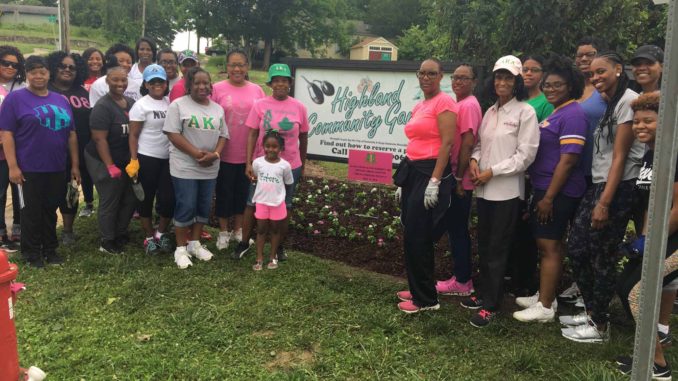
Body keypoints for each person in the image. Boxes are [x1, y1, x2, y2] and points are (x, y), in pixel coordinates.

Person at [560, 52, 644, 343]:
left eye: (601, 72)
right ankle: (593, 308)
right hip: (599, 183)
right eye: (592, 74)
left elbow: (620, 157)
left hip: (617, 187)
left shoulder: (628, 102)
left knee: (602, 255)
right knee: (578, 248)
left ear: (619, 70)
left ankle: (600, 324)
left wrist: (605, 203)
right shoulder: (611, 103)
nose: (595, 78)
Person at [462, 55, 539, 327]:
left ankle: (492, 305)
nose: (502, 82)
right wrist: (473, 161)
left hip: (505, 193)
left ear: (517, 82)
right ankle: (485, 294)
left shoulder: (525, 113)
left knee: (497, 249)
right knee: (484, 246)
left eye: (508, 77)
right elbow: (481, 145)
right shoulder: (490, 111)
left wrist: (491, 171)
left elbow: (525, 156)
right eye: (498, 77)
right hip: (484, 191)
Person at [512, 55, 588, 323]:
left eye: (558, 85)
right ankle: (545, 295)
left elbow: (568, 161)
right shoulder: (559, 111)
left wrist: (549, 198)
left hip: (558, 192)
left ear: (571, 86)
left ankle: (544, 307)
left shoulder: (574, 114)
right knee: (544, 245)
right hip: (543, 188)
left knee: (550, 246)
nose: (551, 89)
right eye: (548, 85)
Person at [615, 92, 675, 379]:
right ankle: (648, 349)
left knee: (638, 293)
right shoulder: (652, 153)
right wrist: (644, 236)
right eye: (637, 121)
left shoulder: (673, 152)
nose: (640, 126)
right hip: (659, 236)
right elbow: (653, 202)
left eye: (648, 121)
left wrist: (653, 239)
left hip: (674, 238)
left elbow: (677, 207)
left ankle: (658, 366)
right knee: (626, 285)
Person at [0, 55, 80, 267]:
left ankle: (50, 249)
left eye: (42, 71)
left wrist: (74, 165)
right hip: (28, 168)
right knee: (30, 212)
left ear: (48, 73)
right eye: (33, 71)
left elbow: (71, 134)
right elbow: (6, 134)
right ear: (26, 74)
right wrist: (13, 166)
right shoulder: (15, 100)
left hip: (56, 166)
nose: (38, 75)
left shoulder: (60, 100)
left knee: (50, 210)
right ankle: (32, 253)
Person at [394, 58, 457, 314]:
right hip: (414, 172)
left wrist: (435, 180)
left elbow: (447, 144)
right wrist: (405, 182)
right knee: (411, 233)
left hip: (431, 172)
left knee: (419, 235)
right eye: (422, 73)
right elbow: (415, 142)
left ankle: (426, 300)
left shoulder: (445, 103)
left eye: (432, 73)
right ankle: (418, 286)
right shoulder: (421, 105)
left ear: (441, 76)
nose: (426, 77)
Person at [240, 63, 309, 261]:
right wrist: (249, 162)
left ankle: (278, 248)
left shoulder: (299, 107)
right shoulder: (260, 105)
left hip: (289, 166)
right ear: (270, 83)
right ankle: (244, 243)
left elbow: (303, 137)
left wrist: (301, 165)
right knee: (252, 203)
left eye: (284, 80)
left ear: (290, 83)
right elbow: (252, 133)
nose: (280, 84)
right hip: (262, 166)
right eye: (276, 80)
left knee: (285, 205)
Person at [163, 67, 228, 269]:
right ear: (189, 85)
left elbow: (223, 135)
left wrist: (215, 154)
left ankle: (194, 243)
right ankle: (180, 248)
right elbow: (173, 134)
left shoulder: (217, 109)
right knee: (187, 204)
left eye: (205, 83)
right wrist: (196, 154)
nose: (202, 86)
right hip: (185, 166)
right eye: (197, 83)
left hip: (210, 166)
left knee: (203, 206)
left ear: (210, 85)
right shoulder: (178, 105)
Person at [212, 50, 265, 252]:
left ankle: (238, 231)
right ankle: (224, 232)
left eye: (241, 64)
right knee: (224, 193)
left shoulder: (257, 91)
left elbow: (262, 121)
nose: (237, 69)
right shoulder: (216, 89)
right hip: (223, 153)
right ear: (226, 67)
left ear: (247, 66)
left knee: (243, 195)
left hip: (249, 155)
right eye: (232, 65)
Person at [435, 63, 481, 297]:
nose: (458, 82)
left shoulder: (469, 105)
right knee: (454, 229)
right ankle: (460, 277)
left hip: (458, 180)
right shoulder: (459, 104)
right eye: (455, 77)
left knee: (458, 230)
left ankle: (463, 281)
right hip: (453, 177)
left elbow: (468, 142)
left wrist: (460, 178)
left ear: (474, 81)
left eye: (464, 78)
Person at [85, 66, 137, 254]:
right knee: (111, 198)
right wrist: (110, 165)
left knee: (129, 198)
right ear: (107, 81)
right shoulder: (103, 107)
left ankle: (120, 232)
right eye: (115, 80)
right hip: (102, 158)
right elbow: (100, 139)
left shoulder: (130, 103)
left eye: (123, 80)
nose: (120, 84)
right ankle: (107, 241)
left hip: (125, 159)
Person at [127, 64, 174, 255]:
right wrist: (133, 159)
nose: (157, 85)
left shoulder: (169, 102)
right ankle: (148, 237)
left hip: (167, 158)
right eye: (153, 81)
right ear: (146, 84)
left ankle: (160, 233)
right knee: (146, 199)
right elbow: (133, 135)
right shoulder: (141, 105)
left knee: (168, 199)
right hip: (147, 157)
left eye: (160, 81)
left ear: (165, 83)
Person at [46, 50, 92, 245]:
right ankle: (46, 231)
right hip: (50, 152)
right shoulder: (45, 90)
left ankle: (67, 230)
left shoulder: (82, 92)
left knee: (71, 191)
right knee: (49, 193)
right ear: (54, 67)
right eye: (62, 66)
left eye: (72, 67)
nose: (67, 70)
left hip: (78, 152)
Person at [251, 130, 293, 271]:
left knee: (275, 231)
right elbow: (256, 177)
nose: (270, 149)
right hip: (261, 202)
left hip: (277, 204)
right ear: (263, 146)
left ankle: (272, 257)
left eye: (274, 147)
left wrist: (281, 198)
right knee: (261, 230)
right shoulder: (257, 163)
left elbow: (288, 183)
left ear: (281, 148)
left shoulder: (285, 166)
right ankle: (259, 258)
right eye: (267, 146)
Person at [0, 45, 25, 247]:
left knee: (19, 190)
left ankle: (18, 227)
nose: (10, 67)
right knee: (0, 192)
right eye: (5, 63)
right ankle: (1, 232)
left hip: (20, 148)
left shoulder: (22, 87)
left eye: (14, 65)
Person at [522, 54, 554, 122]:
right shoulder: (515, 98)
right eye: (525, 70)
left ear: (543, 74)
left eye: (534, 70)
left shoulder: (547, 102)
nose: (528, 73)